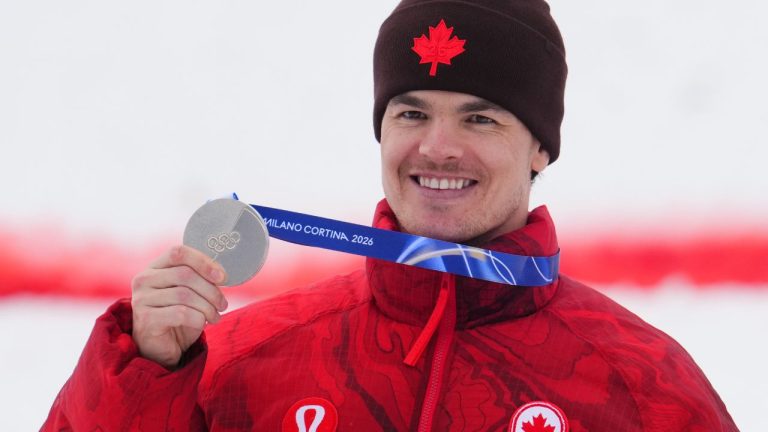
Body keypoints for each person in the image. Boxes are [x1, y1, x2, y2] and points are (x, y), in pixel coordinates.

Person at [43, 1, 738, 431]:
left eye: (480, 118)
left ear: (539, 149)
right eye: (411, 113)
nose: (437, 147)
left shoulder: (646, 387)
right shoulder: (239, 364)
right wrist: (146, 379)